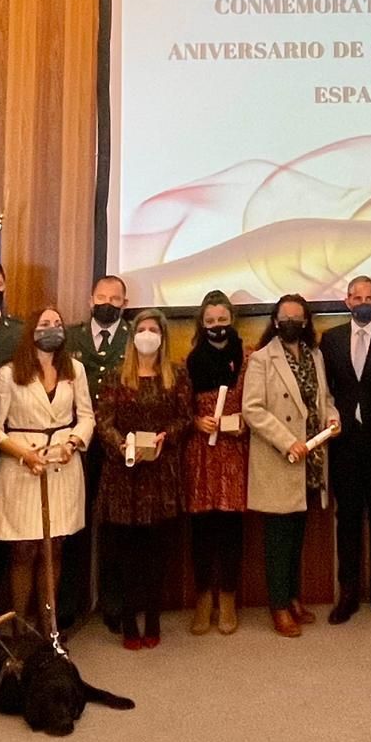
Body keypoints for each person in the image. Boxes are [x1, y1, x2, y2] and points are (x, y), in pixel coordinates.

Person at [0, 307, 95, 635]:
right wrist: (23, 453)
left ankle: (50, 625)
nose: (53, 329)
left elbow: (87, 415)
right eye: (45, 324)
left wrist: (73, 443)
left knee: (54, 545)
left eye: (58, 324)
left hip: (63, 463)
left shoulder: (74, 369)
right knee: (24, 548)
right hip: (21, 466)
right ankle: (20, 624)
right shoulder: (8, 373)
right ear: (31, 331)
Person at [243, 295, 340, 637]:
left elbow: (324, 398)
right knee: (278, 539)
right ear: (274, 320)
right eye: (285, 317)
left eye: (298, 318)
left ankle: (294, 597)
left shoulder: (315, 354)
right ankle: (279, 606)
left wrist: (332, 418)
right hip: (280, 457)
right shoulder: (261, 359)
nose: (291, 323)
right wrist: (287, 442)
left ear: (306, 322)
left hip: (311, 456)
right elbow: (252, 410)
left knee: (298, 533)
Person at [95, 309, 191, 650]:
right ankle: (127, 619)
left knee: (156, 553)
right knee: (125, 554)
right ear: (132, 335)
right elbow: (102, 420)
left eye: (154, 329)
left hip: (161, 475)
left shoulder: (176, 374)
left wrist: (168, 436)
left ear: (162, 336)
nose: (147, 334)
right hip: (123, 475)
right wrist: (119, 444)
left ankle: (152, 615)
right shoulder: (115, 376)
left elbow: (185, 417)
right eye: (142, 329)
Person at [321, 276, 371, 624]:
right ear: (347, 301)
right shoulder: (331, 338)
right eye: (358, 297)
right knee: (348, 519)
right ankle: (348, 593)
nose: (364, 301)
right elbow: (329, 388)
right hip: (346, 442)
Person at [64, 275, 131, 631]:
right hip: (78, 440)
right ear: (91, 300)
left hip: (119, 442)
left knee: (115, 525)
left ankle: (113, 603)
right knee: (75, 523)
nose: (108, 303)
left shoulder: (135, 337)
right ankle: (70, 602)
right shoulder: (71, 337)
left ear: (125, 302)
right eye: (101, 297)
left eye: (115, 298)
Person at [184, 290, 250, 636]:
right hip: (201, 454)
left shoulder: (248, 358)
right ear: (201, 323)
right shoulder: (190, 360)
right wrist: (197, 421)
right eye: (210, 321)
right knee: (202, 532)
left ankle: (227, 599)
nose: (217, 326)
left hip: (234, 454)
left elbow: (255, 404)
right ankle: (203, 599)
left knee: (230, 531)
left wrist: (243, 423)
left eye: (222, 320)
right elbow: (183, 408)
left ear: (232, 321)